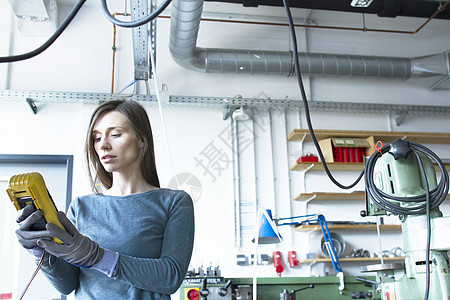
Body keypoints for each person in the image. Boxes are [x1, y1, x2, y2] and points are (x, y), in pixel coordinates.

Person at [15, 99, 195, 299]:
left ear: (141, 140)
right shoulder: (81, 206)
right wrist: (40, 249)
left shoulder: (174, 202)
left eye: (115, 134)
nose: (103, 145)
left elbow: (170, 277)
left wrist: (98, 257)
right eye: (97, 138)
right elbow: (67, 285)